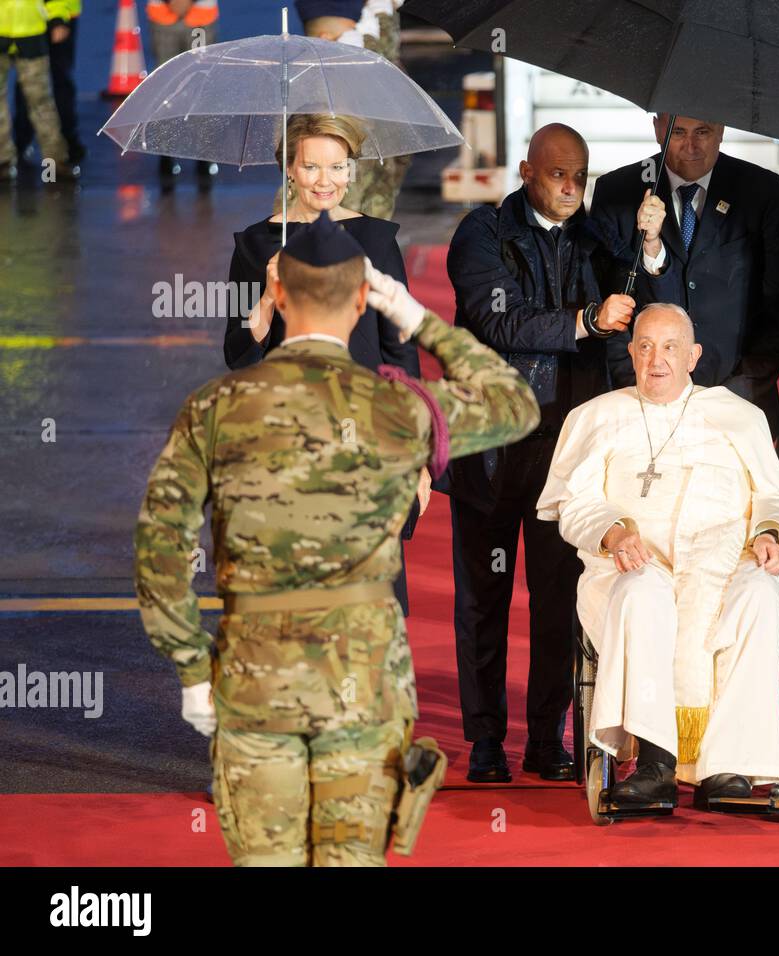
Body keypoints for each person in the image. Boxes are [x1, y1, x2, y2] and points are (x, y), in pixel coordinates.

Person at [135, 212, 540, 866]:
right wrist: (415, 317)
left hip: (252, 680)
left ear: (279, 297)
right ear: (361, 301)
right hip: (363, 682)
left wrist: (189, 671)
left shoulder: (217, 407)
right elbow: (515, 404)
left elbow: (159, 550)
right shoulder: (397, 406)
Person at [444, 123, 661, 783]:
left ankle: (546, 739)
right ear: (526, 170)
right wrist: (583, 321)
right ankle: (485, 744)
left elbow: (644, 314)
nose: (570, 187)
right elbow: (497, 322)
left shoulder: (601, 238)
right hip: (488, 445)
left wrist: (649, 248)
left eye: (580, 176)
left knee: (558, 602)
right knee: (483, 602)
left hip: (566, 451)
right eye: (558, 174)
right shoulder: (481, 234)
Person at [538, 303, 779, 811]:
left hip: (728, 561)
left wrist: (769, 531)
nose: (657, 360)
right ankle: (655, 764)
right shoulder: (596, 417)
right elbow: (574, 504)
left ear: (694, 356)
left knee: (760, 600)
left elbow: (774, 497)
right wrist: (611, 531)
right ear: (632, 353)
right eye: (646, 347)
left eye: (671, 347)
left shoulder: (739, 416)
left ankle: (730, 765)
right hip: (632, 563)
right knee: (643, 595)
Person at [225, 112, 428, 617]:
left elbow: (401, 350)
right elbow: (237, 354)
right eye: (312, 167)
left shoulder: (377, 241)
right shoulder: (255, 246)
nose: (326, 181)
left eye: (339, 167)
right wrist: (268, 300)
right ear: (289, 170)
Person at [590, 113, 779, 435]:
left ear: (722, 130)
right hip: (644, 407)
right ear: (659, 129)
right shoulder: (617, 191)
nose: (691, 146)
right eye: (679, 132)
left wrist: (737, 393)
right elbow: (611, 307)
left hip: (739, 406)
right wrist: (639, 389)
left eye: (703, 131)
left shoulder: (762, 191)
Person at [297, 0, 411, 220]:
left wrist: (382, 15)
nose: (363, 48)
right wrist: (382, 15)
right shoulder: (320, 91)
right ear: (326, 41)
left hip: (364, 220)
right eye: (354, 38)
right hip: (332, 226)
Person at [145, 0, 220, 187]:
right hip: (164, 14)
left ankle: (203, 152)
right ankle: (166, 151)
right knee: (166, 85)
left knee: (201, 83)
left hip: (199, 15)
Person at [0, 0, 74, 181]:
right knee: (41, 104)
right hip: (25, 30)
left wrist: (58, 18)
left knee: (41, 102)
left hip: (31, 32)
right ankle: (3, 161)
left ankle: (54, 163)